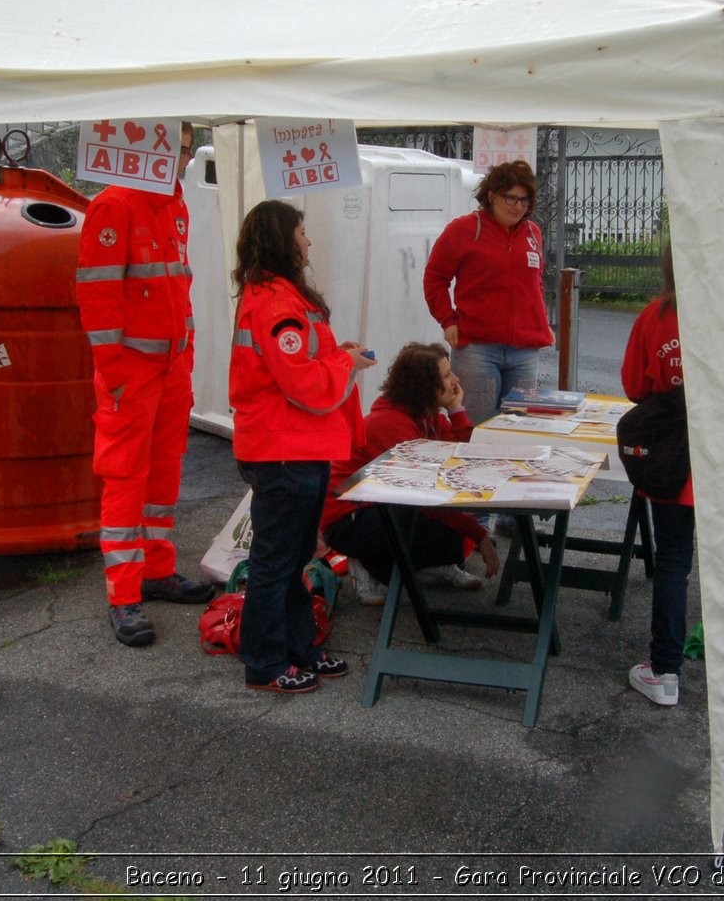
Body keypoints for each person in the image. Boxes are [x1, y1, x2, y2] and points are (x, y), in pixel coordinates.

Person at [76, 122, 215, 648]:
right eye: (175, 150)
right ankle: (123, 592)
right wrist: (114, 375)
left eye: (183, 150)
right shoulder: (114, 206)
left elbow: (178, 286)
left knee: (163, 471)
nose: (180, 160)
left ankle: (156, 570)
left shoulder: (173, 204)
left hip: (169, 369)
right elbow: (99, 296)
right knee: (126, 475)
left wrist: (186, 357)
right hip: (132, 372)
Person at [621, 241, 724, 712]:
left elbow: (634, 386)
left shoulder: (656, 315)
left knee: (673, 564)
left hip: (673, 464)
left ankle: (665, 671)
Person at [229, 199, 374, 693]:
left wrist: (341, 356)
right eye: (302, 232)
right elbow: (302, 383)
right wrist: (345, 366)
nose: (309, 241)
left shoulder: (281, 296)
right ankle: (265, 663)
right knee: (277, 562)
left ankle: (297, 650)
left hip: (294, 445)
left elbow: (306, 362)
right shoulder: (276, 303)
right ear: (283, 240)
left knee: (292, 559)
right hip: (282, 447)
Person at [320, 342, 502, 605]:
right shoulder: (391, 424)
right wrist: (479, 534)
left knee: (452, 533)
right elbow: (421, 496)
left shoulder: (426, 416)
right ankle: (364, 565)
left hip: (381, 507)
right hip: (348, 518)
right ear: (424, 386)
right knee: (417, 518)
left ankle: (428, 567)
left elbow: (463, 461)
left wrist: (456, 410)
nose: (455, 380)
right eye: (447, 375)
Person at [423, 160, 554, 425]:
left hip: (525, 350)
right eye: (511, 198)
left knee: (521, 427)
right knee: (476, 427)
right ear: (492, 195)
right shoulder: (462, 230)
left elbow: (535, 281)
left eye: (524, 201)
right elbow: (434, 278)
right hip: (478, 349)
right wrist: (447, 321)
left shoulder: (533, 232)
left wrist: (540, 321)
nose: (518, 207)